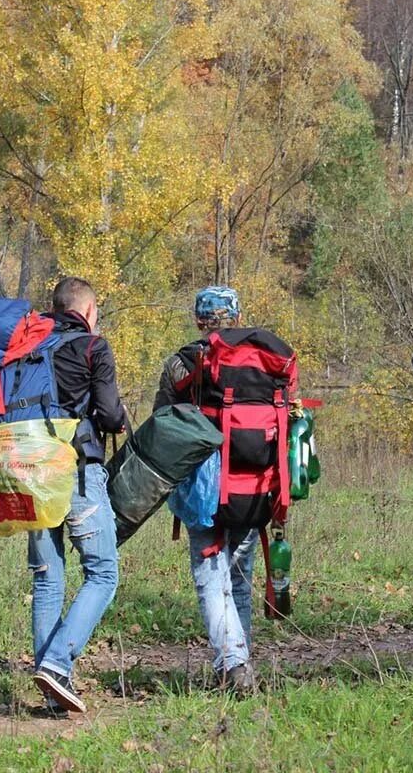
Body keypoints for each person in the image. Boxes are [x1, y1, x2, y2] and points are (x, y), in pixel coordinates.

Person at [29, 276, 127, 713]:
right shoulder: (93, 346)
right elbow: (106, 414)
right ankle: (56, 662)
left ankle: (52, 688)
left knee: (48, 577)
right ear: (88, 311)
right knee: (104, 573)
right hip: (74, 470)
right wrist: (120, 417)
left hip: (27, 470)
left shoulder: (28, 342)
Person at [154, 286, 257, 694]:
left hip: (205, 488)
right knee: (240, 579)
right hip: (254, 486)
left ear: (200, 320)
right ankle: (240, 664)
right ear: (236, 317)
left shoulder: (181, 365)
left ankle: (233, 663)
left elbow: (163, 422)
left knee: (211, 577)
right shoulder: (259, 363)